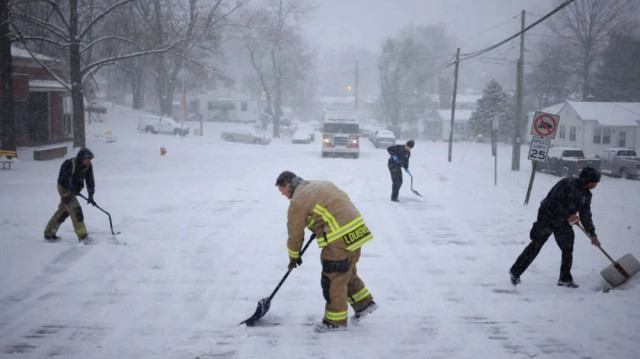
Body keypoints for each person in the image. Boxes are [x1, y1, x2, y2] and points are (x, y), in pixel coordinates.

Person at [275, 170, 377, 332]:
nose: (282, 194)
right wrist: (322, 224)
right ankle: (364, 304)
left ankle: (334, 322)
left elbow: (295, 233)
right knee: (346, 270)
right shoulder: (321, 184)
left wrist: (293, 256)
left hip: (339, 238)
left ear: (287, 185)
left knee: (333, 278)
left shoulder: (297, 201)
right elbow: (342, 202)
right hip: (358, 231)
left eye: (282, 190)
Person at [509, 167, 602, 288]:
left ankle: (565, 278)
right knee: (536, 245)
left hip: (563, 222)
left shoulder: (586, 195)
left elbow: (585, 215)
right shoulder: (567, 183)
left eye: (596, 183)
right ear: (586, 179)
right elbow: (553, 201)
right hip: (547, 216)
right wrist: (569, 215)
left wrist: (592, 234)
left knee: (568, 248)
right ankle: (515, 272)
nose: (595, 185)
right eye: (593, 182)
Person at [44, 147, 97, 242]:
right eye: (87, 158)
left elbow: (90, 180)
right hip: (64, 189)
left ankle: (49, 233)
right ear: (81, 158)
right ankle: (83, 236)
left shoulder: (88, 166)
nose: (89, 160)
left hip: (73, 190)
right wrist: (70, 187)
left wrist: (91, 195)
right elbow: (62, 179)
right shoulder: (69, 164)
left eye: (90, 159)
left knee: (64, 211)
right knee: (76, 210)